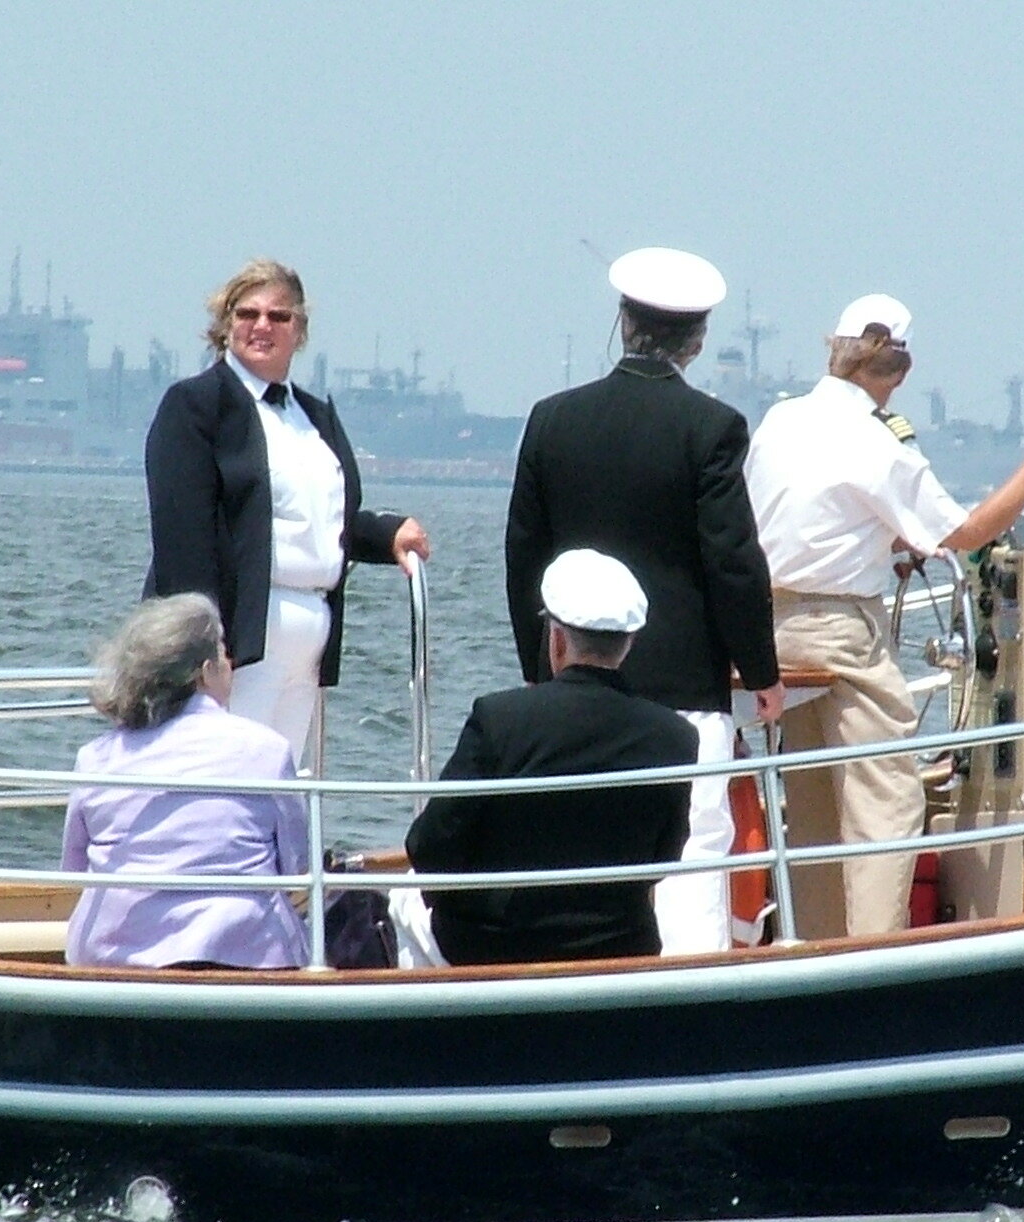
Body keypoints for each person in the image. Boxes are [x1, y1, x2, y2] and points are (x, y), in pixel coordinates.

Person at [744, 297, 1024, 938]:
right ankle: (872, 951)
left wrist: (881, 543)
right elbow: (964, 532)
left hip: (771, 629)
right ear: (898, 370)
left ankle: (812, 944)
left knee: (811, 804)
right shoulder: (876, 442)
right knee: (885, 798)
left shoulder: (780, 420)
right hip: (840, 635)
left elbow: (806, 521)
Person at [502, 247, 779, 952]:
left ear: (623, 323)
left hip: (572, 680)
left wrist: (541, 667)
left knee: (575, 842)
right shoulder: (712, 428)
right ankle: (687, 997)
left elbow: (523, 557)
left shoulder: (551, 418)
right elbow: (733, 563)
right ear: (697, 339)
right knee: (691, 849)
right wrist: (762, 670)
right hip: (682, 686)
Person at [140, 259, 431, 770]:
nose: (262, 326)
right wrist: (205, 648)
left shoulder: (315, 416)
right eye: (247, 313)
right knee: (223, 780)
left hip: (309, 640)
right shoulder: (194, 407)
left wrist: (387, 535)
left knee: (282, 782)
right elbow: (182, 540)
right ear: (225, 324)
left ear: (300, 331)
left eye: (279, 316)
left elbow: (327, 518)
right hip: (238, 639)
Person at [405, 550, 700, 967]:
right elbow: (664, 856)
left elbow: (430, 843)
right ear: (629, 643)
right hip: (620, 944)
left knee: (401, 903)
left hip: (492, 946)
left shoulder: (499, 718)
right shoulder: (675, 738)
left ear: (556, 639)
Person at [59, 594, 317, 971]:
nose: (232, 665)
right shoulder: (268, 751)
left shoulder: (95, 758)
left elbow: (73, 869)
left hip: (112, 958)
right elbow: (298, 871)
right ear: (207, 670)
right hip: (246, 954)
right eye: (225, 654)